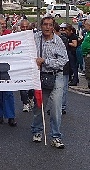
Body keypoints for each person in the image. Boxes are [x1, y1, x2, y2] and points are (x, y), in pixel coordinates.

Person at [32, 16, 68, 149]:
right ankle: (37, 131)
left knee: (56, 108)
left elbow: (63, 60)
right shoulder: (35, 38)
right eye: (45, 24)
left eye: (50, 25)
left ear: (53, 27)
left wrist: (46, 61)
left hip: (55, 76)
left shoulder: (57, 41)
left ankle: (56, 136)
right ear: (41, 26)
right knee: (38, 106)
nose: (47, 27)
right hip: (39, 76)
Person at [0, 22, 17, 127]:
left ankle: (10, 116)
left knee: (8, 94)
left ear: (1, 31)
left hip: (6, 71)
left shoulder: (8, 42)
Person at [81, 19, 90, 89]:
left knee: (88, 71)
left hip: (89, 55)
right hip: (86, 55)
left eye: (86, 25)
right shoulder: (87, 33)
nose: (84, 26)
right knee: (87, 71)